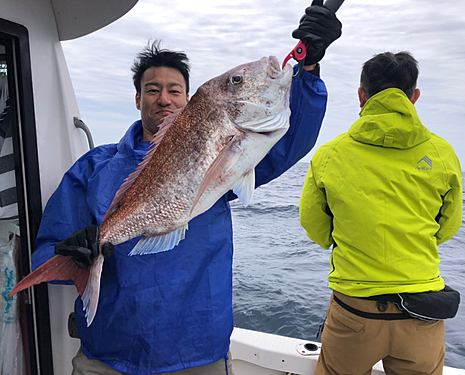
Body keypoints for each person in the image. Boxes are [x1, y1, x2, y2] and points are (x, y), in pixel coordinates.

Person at [30, 2, 342, 374]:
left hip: (196, 352)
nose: (164, 98)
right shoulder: (93, 167)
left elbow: (292, 141)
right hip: (108, 353)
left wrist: (308, 67)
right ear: (137, 98)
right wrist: (73, 253)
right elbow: (48, 249)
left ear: (188, 99)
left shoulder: (226, 155)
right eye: (152, 89)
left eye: (174, 90)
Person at [299, 51, 462, 375]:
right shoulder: (442, 154)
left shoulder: (330, 154)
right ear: (414, 97)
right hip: (421, 313)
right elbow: (448, 225)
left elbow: (314, 224)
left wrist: (352, 237)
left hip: (354, 313)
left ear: (362, 95)